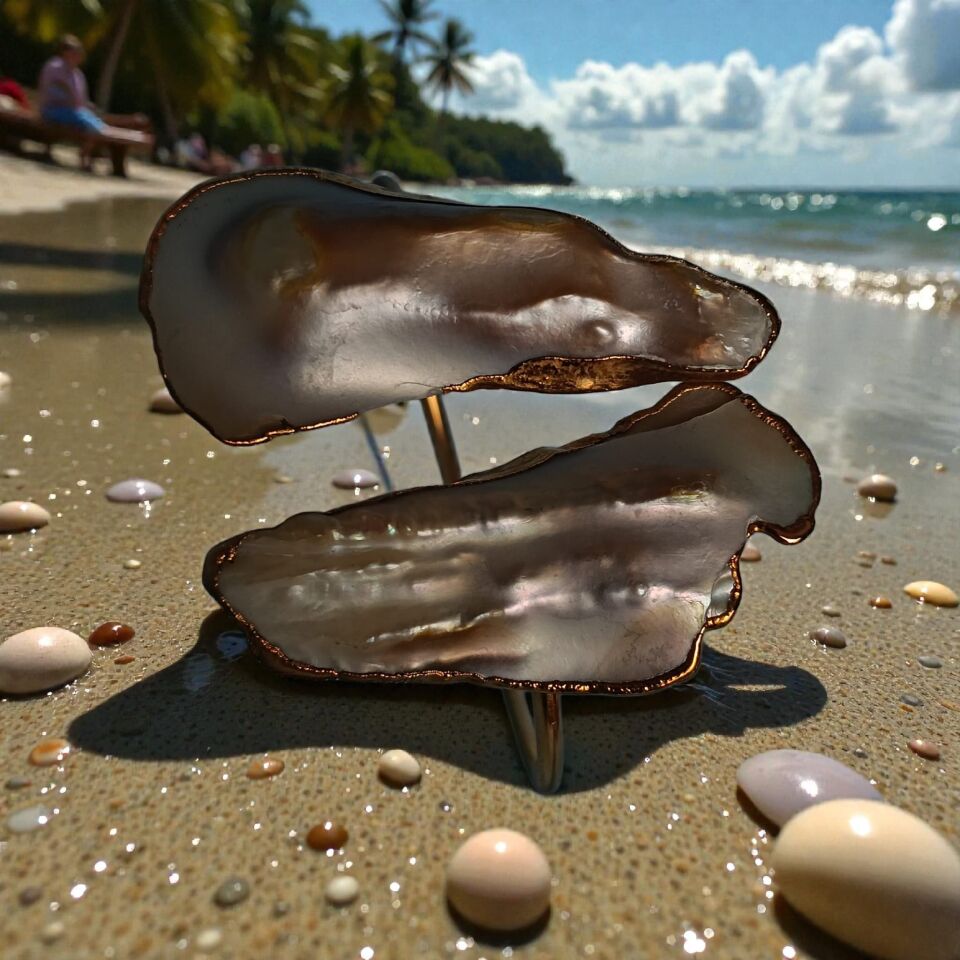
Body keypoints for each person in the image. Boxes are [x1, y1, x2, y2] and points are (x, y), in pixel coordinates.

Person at [38, 35, 151, 170]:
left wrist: (88, 106)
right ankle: (84, 157)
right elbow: (54, 92)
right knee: (94, 127)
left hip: (74, 112)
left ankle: (86, 155)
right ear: (65, 52)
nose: (78, 56)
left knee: (98, 126)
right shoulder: (54, 67)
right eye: (75, 52)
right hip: (54, 110)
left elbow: (80, 100)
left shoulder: (77, 75)